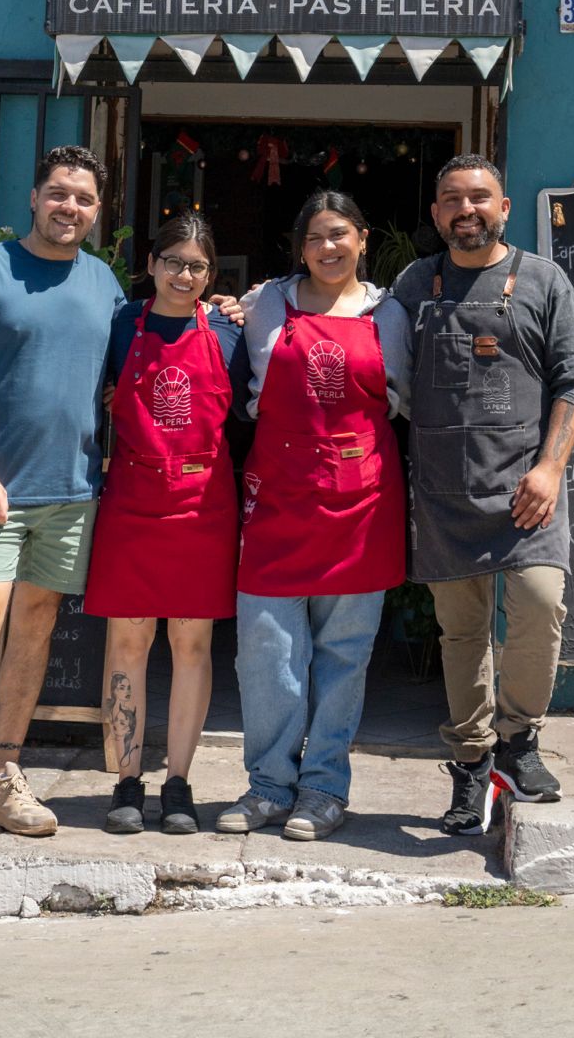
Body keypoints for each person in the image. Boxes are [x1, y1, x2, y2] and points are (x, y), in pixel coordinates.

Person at [0, 145, 124, 857]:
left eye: (83, 198)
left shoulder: (104, 284)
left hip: (71, 491)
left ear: (96, 212)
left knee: (35, 628)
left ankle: (4, 773)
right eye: (58, 193)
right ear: (34, 198)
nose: (69, 206)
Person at [392, 154, 574, 837]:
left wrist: (549, 469)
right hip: (444, 491)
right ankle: (471, 762)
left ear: (503, 208)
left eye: (479, 197)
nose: (465, 209)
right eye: (451, 199)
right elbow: (361, 340)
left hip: (526, 490)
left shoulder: (543, 280)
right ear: (436, 214)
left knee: (539, 607)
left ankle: (519, 742)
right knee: (461, 633)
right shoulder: (414, 284)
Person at [217, 190, 411, 842]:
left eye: (340, 235)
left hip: (359, 507)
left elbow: (402, 403)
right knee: (265, 656)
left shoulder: (390, 315)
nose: (328, 249)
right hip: (276, 501)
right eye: (315, 239)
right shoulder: (268, 302)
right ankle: (268, 786)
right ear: (299, 249)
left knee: (342, 658)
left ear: (361, 238)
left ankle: (323, 789)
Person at [84, 212, 248, 836]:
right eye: (174, 261)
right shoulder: (122, 323)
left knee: (191, 644)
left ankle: (178, 784)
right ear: (152, 265)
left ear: (212, 275)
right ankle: (127, 782)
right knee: (128, 642)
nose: (185, 274)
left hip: (203, 503)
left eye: (198, 265)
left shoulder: (231, 329)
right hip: (133, 499)